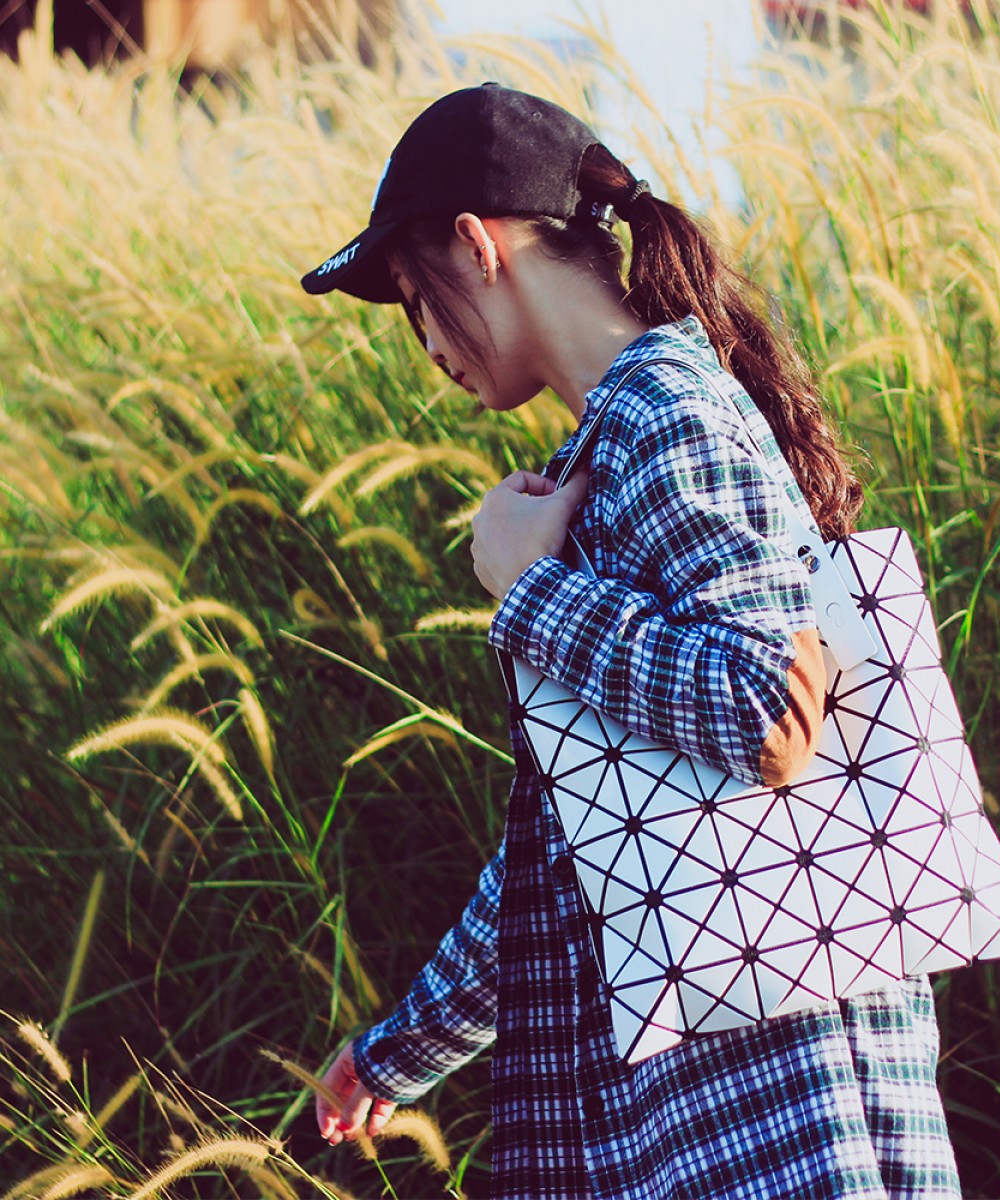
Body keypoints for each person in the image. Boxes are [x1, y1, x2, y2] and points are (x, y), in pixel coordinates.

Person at [300, 83, 962, 1199]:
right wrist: (399, 1050)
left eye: (418, 301)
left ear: (479, 245)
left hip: (788, 1115)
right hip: (718, 1116)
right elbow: (580, 839)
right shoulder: (607, 447)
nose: (428, 347)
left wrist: (531, 589)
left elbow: (765, 708)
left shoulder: (667, 412)